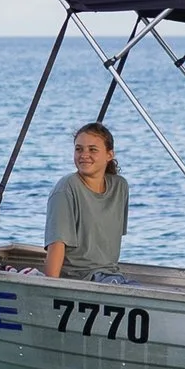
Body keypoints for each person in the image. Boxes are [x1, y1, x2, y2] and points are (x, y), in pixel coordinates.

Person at [42, 121, 130, 282]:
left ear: (109, 155)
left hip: (111, 276)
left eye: (92, 149)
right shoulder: (66, 188)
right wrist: (50, 288)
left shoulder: (120, 186)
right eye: (79, 149)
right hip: (80, 279)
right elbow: (57, 245)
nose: (84, 155)